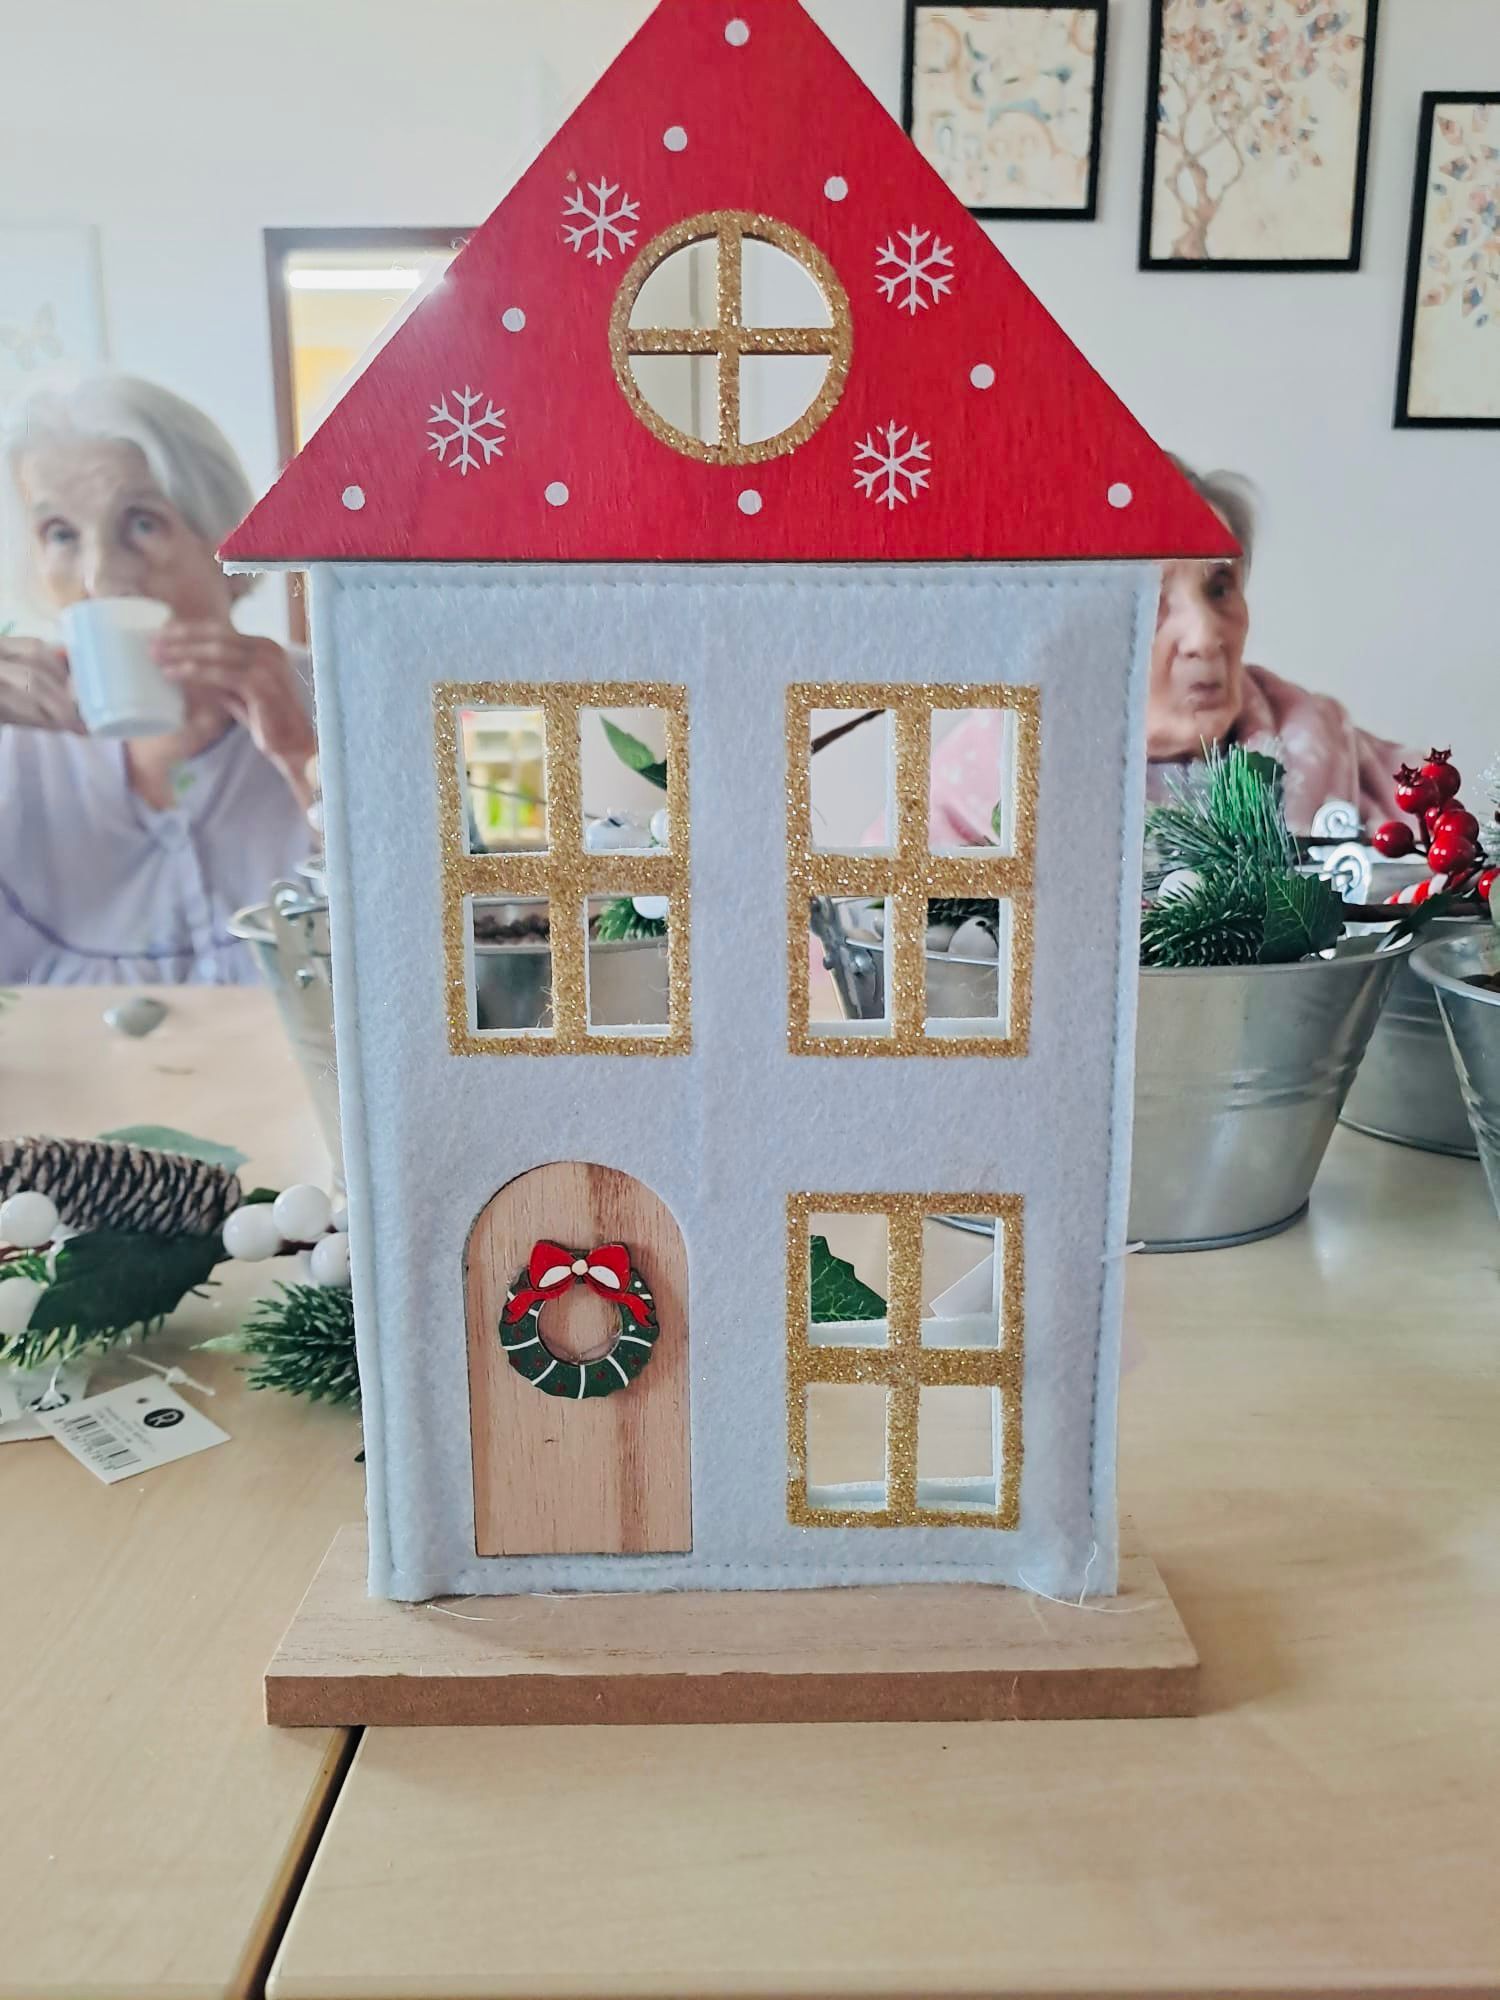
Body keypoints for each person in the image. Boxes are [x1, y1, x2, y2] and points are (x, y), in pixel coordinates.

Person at [0, 373, 315, 983]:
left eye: (142, 524)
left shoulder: (337, 700)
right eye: (61, 534)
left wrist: (306, 761)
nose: (101, 578)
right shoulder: (14, 744)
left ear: (227, 542)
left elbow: (442, 956)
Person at [930, 461, 1413, 843]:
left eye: (1220, 587)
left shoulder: (1327, 743)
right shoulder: (980, 782)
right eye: (1148, 600)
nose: (1205, 637)